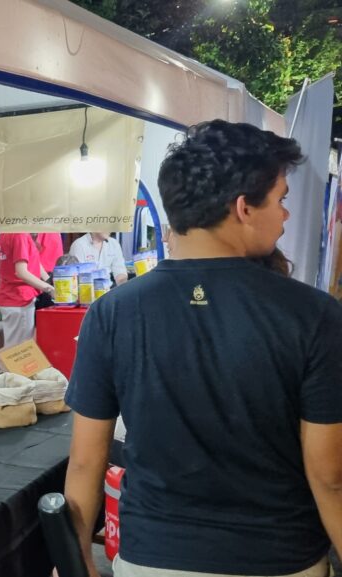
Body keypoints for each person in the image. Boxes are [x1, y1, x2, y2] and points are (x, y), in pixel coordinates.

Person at [64, 120, 342, 577]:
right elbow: (329, 476)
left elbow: (85, 460)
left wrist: (75, 559)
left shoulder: (111, 312)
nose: (286, 215)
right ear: (244, 208)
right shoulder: (314, 315)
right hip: (277, 558)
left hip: (151, 558)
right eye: (281, 200)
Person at [0, 233, 55, 348]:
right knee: (19, 350)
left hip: (11, 298)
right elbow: (21, 272)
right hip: (21, 299)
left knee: (15, 347)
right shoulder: (20, 235)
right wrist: (49, 289)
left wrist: (4, 283)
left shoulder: (6, 234)